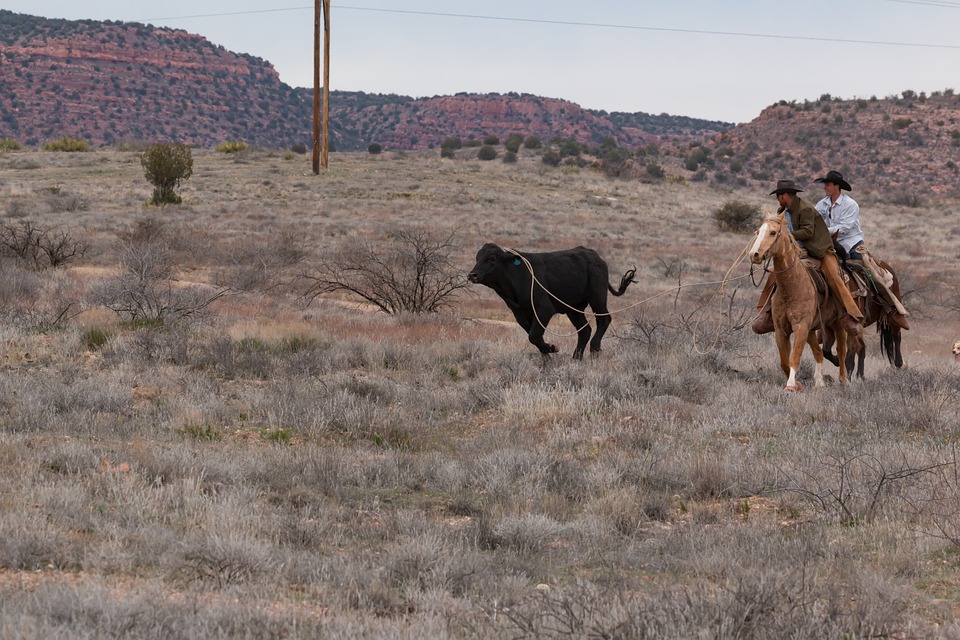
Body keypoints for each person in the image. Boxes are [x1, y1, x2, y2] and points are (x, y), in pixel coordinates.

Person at [752, 179, 864, 335]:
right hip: (799, 250)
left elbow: (808, 232)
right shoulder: (782, 212)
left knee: (833, 277)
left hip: (820, 250)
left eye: (778, 195)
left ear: (785, 195)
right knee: (775, 273)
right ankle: (765, 312)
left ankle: (850, 314)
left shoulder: (805, 209)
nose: (777, 198)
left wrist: (786, 235)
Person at [813, 170, 909, 330]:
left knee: (870, 270)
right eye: (825, 184)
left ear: (837, 186)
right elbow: (815, 219)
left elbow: (844, 228)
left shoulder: (850, 204)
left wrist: (822, 231)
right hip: (829, 245)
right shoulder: (821, 204)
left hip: (851, 244)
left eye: (828, 184)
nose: (825, 187)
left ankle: (890, 307)